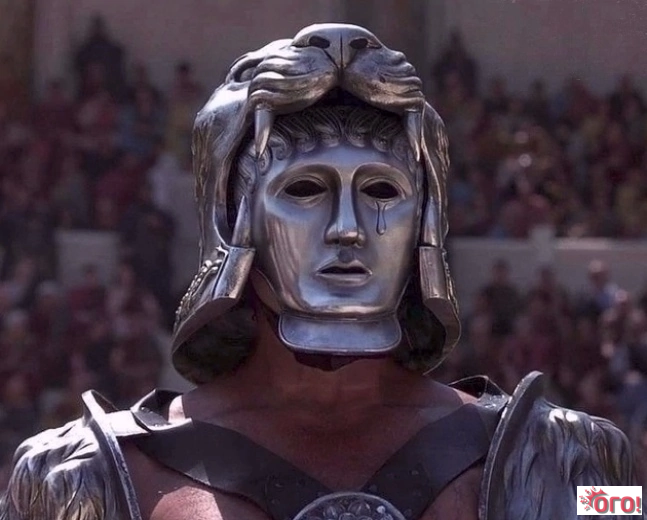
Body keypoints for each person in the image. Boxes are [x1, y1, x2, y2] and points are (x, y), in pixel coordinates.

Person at [0, 24, 641, 520]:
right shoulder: (71, 482)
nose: (347, 228)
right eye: (305, 189)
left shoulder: (581, 466)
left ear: (425, 219)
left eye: (382, 191)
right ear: (235, 216)